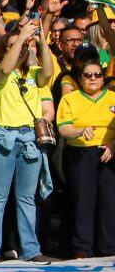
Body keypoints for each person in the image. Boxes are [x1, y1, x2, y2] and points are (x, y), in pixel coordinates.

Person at [56, 54, 115, 257]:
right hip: (80, 152)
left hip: (108, 153)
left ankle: (109, 248)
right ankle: (82, 248)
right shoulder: (70, 99)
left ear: (103, 77)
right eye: (87, 75)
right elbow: (64, 129)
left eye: (97, 75)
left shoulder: (113, 97)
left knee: (110, 202)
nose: (92, 78)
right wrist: (80, 131)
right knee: (83, 202)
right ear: (80, 78)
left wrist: (113, 145)